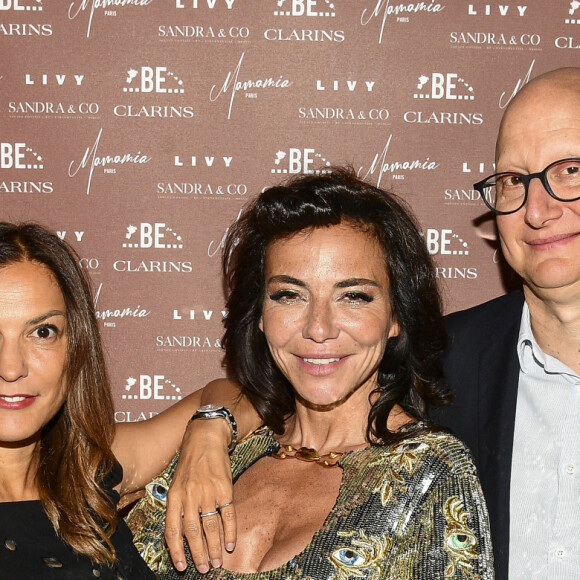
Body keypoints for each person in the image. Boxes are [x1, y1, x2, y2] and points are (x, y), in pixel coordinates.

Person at [127, 167, 494, 578]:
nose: (318, 328)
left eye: (353, 296)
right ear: (260, 316)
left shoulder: (431, 474)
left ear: (396, 317)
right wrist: (210, 426)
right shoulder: (218, 449)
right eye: (289, 295)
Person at [0, 222, 238, 578]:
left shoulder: (87, 469)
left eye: (42, 332)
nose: (11, 367)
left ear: (75, 346)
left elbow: (238, 393)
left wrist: (208, 435)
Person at [432, 67, 580, 580]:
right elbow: (300, 382)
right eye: (514, 180)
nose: (536, 211)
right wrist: (213, 424)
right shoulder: (439, 361)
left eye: (571, 171)